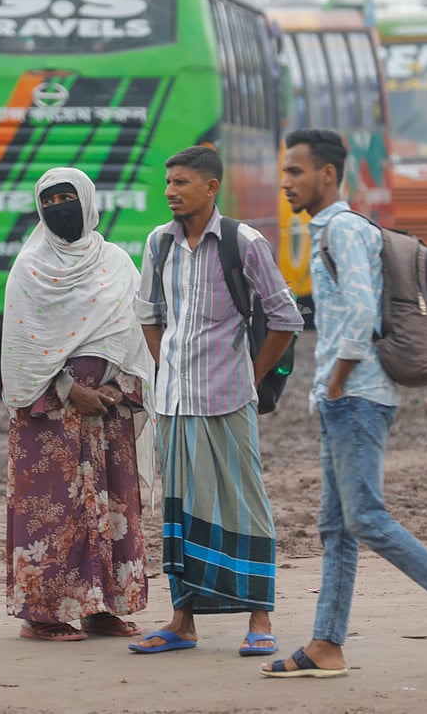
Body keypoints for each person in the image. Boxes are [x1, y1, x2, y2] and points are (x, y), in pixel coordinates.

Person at [262, 128, 427, 680]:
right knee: (337, 527)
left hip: (357, 397)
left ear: (327, 174)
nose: (286, 182)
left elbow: (361, 311)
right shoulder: (330, 230)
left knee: (365, 517)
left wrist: (338, 378)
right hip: (344, 397)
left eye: (296, 171)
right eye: (285, 172)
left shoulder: (344, 231)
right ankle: (327, 645)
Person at [131, 146, 303, 656]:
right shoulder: (158, 242)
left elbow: (285, 318)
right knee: (180, 511)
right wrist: (168, 367)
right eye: (168, 183)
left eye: (181, 183)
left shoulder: (243, 243)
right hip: (174, 405)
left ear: (210, 188)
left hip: (228, 400)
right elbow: (148, 313)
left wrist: (249, 375)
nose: (170, 192)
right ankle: (182, 621)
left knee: (243, 505)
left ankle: (260, 617)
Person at [0, 167, 155, 641]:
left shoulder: (116, 263)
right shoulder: (29, 268)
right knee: (52, 512)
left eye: (68, 197)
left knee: (110, 508)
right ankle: (43, 613)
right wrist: (71, 391)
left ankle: (102, 607)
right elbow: (22, 349)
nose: (59, 208)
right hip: (50, 415)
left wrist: (116, 387)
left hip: (110, 411)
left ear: (87, 201)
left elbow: (136, 333)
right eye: (49, 201)